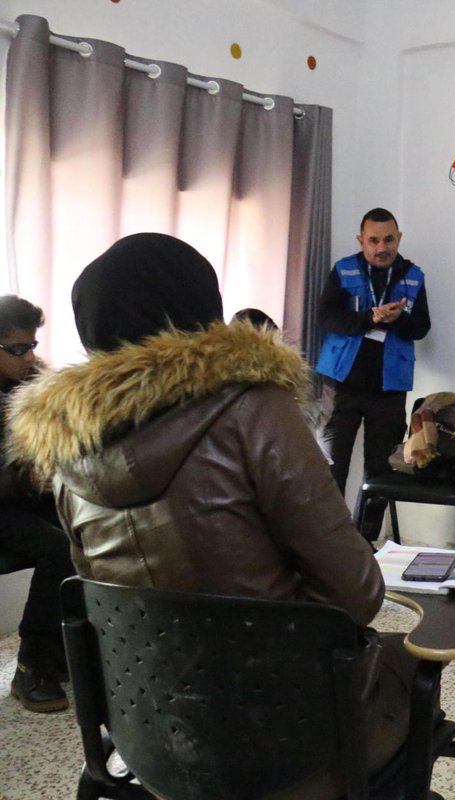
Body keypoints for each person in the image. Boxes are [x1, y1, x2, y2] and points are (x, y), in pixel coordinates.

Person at [7, 233, 416, 796]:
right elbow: (357, 595)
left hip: (148, 739)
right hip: (289, 741)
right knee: (411, 665)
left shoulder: (68, 453)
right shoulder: (257, 410)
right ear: (203, 313)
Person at [315, 208, 431, 540]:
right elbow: (327, 319)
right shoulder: (344, 270)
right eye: (374, 240)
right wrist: (370, 318)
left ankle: (363, 542)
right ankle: (329, 540)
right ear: (361, 241)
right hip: (342, 383)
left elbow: (421, 328)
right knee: (331, 466)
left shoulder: (414, 276)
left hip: (389, 387)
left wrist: (397, 321)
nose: (382, 247)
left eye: (389, 239)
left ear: (399, 238)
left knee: (380, 472)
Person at [0, 295, 74, 713]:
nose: (29, 356)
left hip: (27, 499)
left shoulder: (36, 387)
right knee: (59, 549)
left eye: (31, 346)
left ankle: (62, 649)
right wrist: (29, 475)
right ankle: (30, 664)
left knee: (88, 532)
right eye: (17, 349)